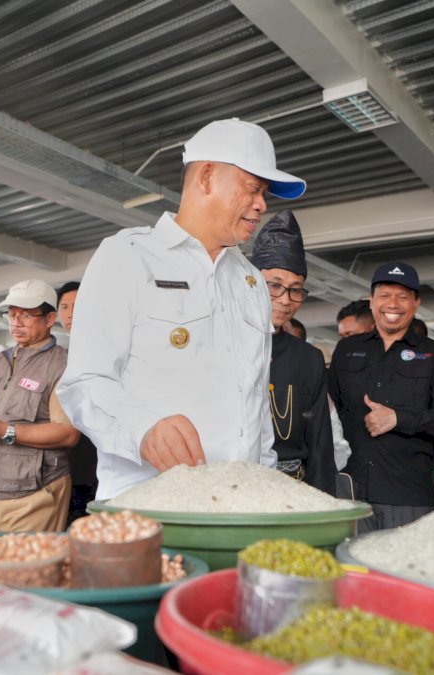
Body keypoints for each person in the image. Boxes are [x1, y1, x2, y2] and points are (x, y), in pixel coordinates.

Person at [57, 118, 306, 499]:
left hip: (238, 506)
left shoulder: (252, 283)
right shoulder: (129, 256)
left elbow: (255, 403)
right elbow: (84, 383)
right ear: (206, 177)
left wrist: (266, 487)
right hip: (148, 505)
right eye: (253, 189)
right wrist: (142, 430)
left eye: (264, 194)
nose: (261, 205)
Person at [328, 262, 434, 530]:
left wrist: (398, 419)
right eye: (385, 295)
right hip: (349, 494)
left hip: (407, 498)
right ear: (371, 301)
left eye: (403, 297)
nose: (393, 304)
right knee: (350, 570)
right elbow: (328, 416)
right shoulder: (346, 351)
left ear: (416, 303)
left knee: (403, 571)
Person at [0, 280, 78, 532]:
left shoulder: (62, 366)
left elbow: (67, 434)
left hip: (33, 493)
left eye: (26, 315)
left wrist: (3, 431)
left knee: (26, 568)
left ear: (49, 319)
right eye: (12, 315)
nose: (16, 322)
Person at [252, 210, 336, 495]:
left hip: (292, 490)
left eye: (296, 290)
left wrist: (325, 504)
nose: (285, 300)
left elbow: (320, 440)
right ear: (250, 282)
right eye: (275, 286)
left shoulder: (308, 358)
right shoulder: (223, 342)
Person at [50, 280, 97, 522]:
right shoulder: (66, 354)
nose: (70, 313)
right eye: (64, 307)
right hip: (71, 456)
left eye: (76, 305)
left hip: (97, 453)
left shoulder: (103, 346)